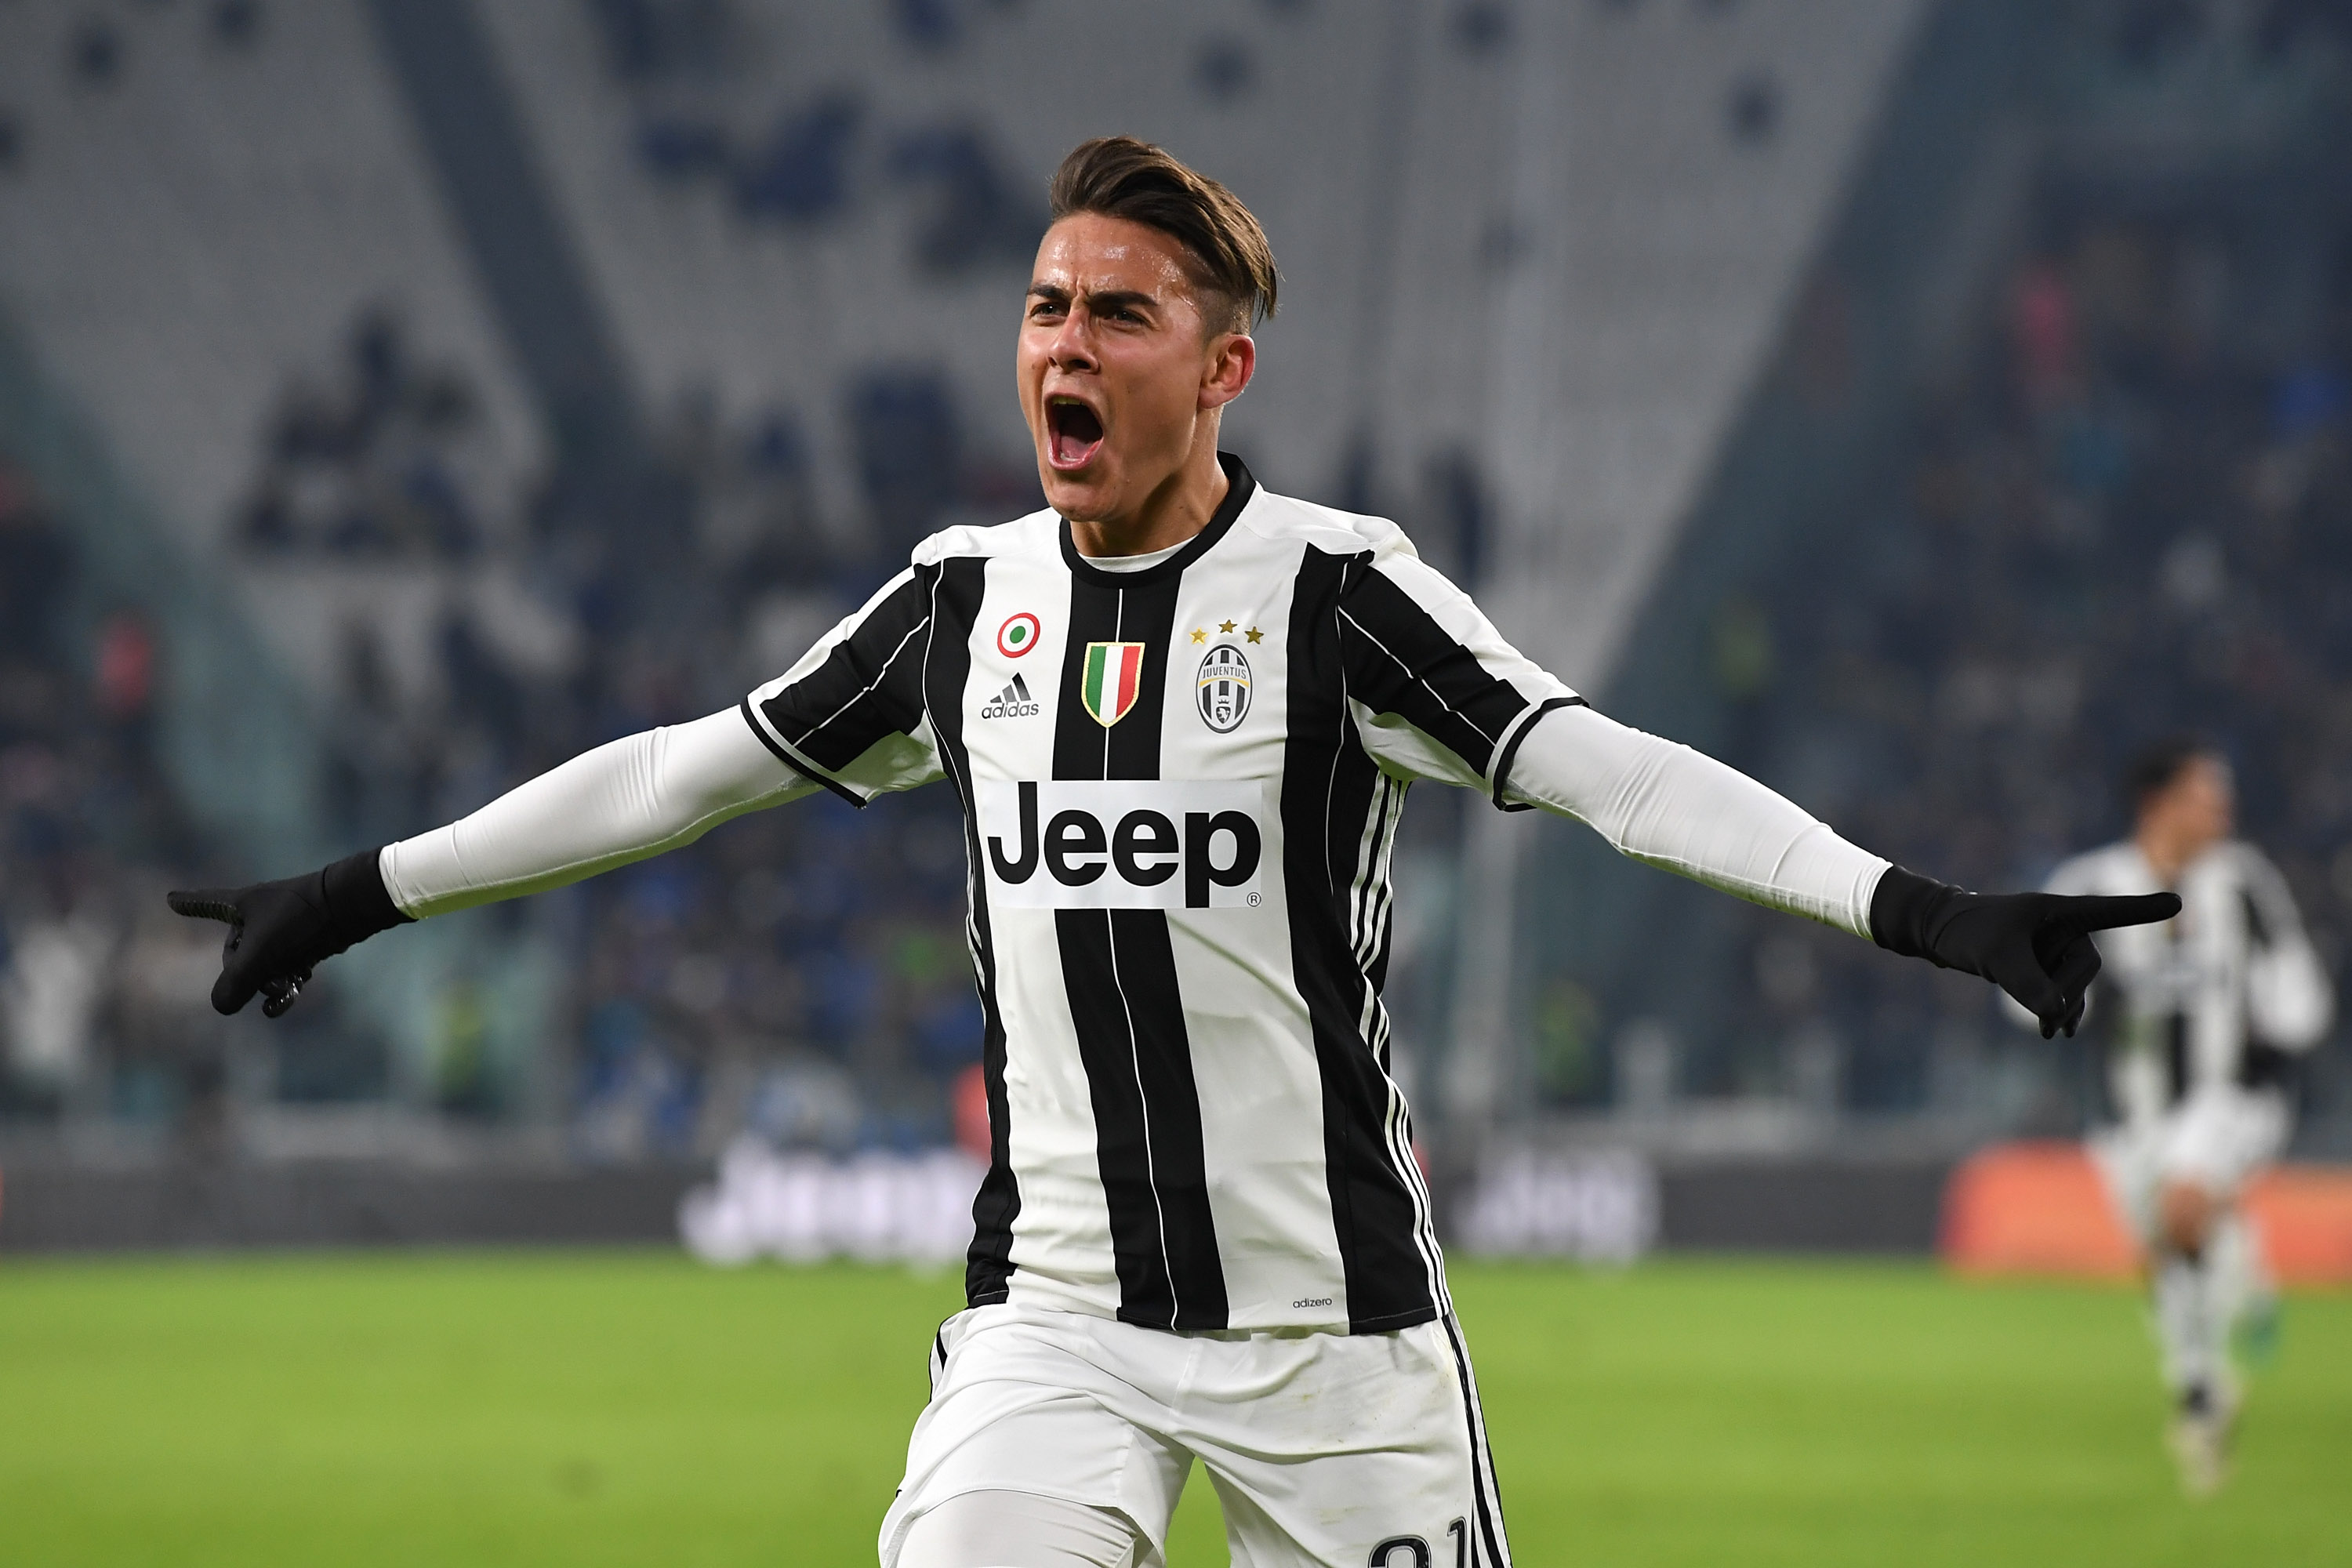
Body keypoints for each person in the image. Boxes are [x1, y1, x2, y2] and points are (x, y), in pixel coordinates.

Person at [172, 137, 2178, 1568]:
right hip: (1056, 1323)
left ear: (1217, 369)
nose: (1065, 341)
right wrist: (358, 887)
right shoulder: (958, 604)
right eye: (1044, 305)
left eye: (1117, 313)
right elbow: (681, 773)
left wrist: (1923, 909)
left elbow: (1610, 773)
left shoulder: (1336, 595)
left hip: (1338, 1344)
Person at [2040, 738, 2332, 1497]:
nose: (2224, 811)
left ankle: (2205, 1365)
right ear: (2160, 804)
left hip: (2228, 1097)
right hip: (2127, 1117)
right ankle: (2203, 1380)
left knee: (2184, 1199)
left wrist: (2278, 1035)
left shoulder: (2243, 883)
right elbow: (2019, 993)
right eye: (2208, 795)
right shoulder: (2091, 887)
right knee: (2166, 1250)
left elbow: (2300, 991)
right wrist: (2076, 997)